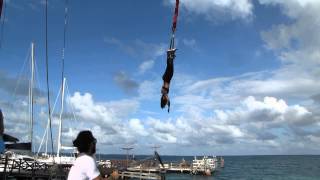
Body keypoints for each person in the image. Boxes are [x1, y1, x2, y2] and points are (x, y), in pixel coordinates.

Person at [161, 48, 177, 113]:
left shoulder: (164, 94)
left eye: (165, 103)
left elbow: (168, 100)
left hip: (166, 78)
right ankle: (170, 55)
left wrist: (168, 106)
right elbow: (168, 100)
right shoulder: (164, 94)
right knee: (170, 67)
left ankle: (170, 54)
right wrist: (168, 107)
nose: (166, 100)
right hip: (167, 78)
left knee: (170, 68)